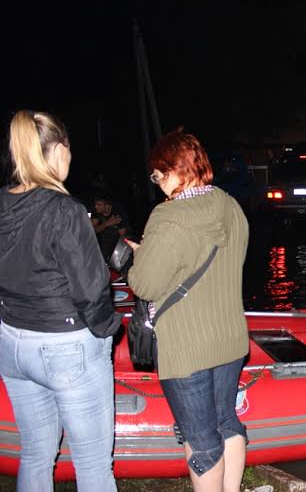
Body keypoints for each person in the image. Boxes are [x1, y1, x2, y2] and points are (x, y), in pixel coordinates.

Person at [0, 110, 120, 491]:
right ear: (59, 150)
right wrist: (107, 332)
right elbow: (91, 289)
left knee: (35, 452)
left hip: (12, 343)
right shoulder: (64, 210)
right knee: (94, 465)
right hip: (65, 344)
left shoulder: (1, 203)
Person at [126, 129, 249, 492]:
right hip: (229, 339)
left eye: (158, 174)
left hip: (187, 346)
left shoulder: (168, 218)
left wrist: (141, 256)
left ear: (177, 171)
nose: (157, 183)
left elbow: (145, 284)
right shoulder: (230, 205)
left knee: (201, 441)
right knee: (227, 423)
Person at [91, 195, 131, 260]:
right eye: (95, 204)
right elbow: (91, 231)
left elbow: (123, 235)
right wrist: (106, 223)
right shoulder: (96, 212)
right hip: (102, 240)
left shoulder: (118, 212)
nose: (96, 207)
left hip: (118, 242)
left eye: (99, 204)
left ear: (107, 206)